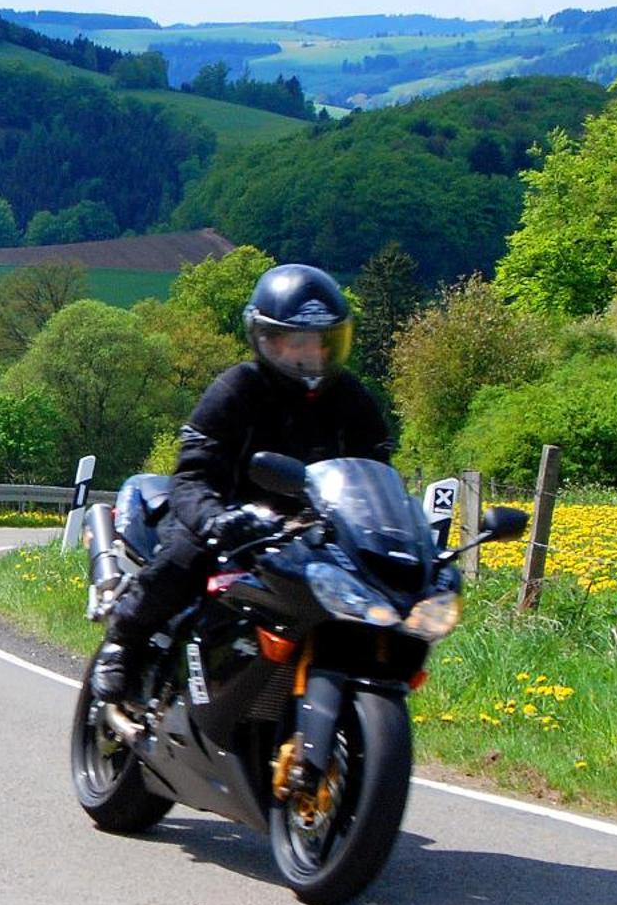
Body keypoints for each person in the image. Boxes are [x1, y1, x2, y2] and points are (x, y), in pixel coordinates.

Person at [90, 263, 391, 702]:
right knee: (186, 553)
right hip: (227, 518)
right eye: (296, 342)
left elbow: (376, 476)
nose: (310, 355)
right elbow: (191, 475)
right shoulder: (237, 389)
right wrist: (215, 520)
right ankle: (124, 642)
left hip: (308, 534)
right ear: (266, 339)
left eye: (321, 343)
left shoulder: (353, 400)